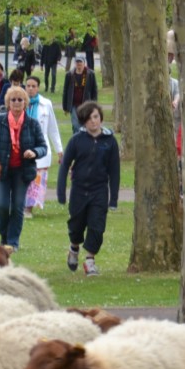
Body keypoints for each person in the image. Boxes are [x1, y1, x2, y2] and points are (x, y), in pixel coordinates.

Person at [56, 100, 120, 276]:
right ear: (84, 121)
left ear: (100, 118)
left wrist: (113, 198)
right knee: (76, 226)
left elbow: (114, 171)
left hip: (99, 190)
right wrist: (61, 193)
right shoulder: (77, 140)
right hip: (79, 190)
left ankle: (90, 260)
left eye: (96, 117)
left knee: (97, 226)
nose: (93, 121)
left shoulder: (110, 141)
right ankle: (74, 248)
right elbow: (64, 165)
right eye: (89, 118)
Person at [0, 86, 47, 250]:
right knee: (2, 206)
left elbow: (43, 147)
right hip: (2, 171)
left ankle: (13, 242)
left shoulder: (32, 123)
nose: (17, 103)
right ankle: (4, 237)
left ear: (25, 102)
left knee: (18, 206)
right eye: (13, 100)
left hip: (22, 172)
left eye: (20, 99)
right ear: (8, 102)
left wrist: (33, 152)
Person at [22, 75, 64, 218]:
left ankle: (29, 208)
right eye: (28, 86)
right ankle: (19, 205)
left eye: (34, 86)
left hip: (41, 148)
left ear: (38, 88)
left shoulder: (46, 104)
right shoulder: (18, 102)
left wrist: (59, 149)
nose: (31, 89)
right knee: (22, 178)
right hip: (23, 146)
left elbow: (52, 128)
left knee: (36, 180)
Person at [60, 55, 98, 133]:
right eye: (77, 62)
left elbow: (94, 90)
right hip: (74, 105)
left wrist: (94, 105)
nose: (79, 64)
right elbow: (65, 91)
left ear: (84, 63)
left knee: (85, 124)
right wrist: (65, 107)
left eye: (80, 62)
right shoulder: (69, 75)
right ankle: (76, 141)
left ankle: (84, 141)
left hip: (86, 105)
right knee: (75, 125)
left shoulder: (90, 74)